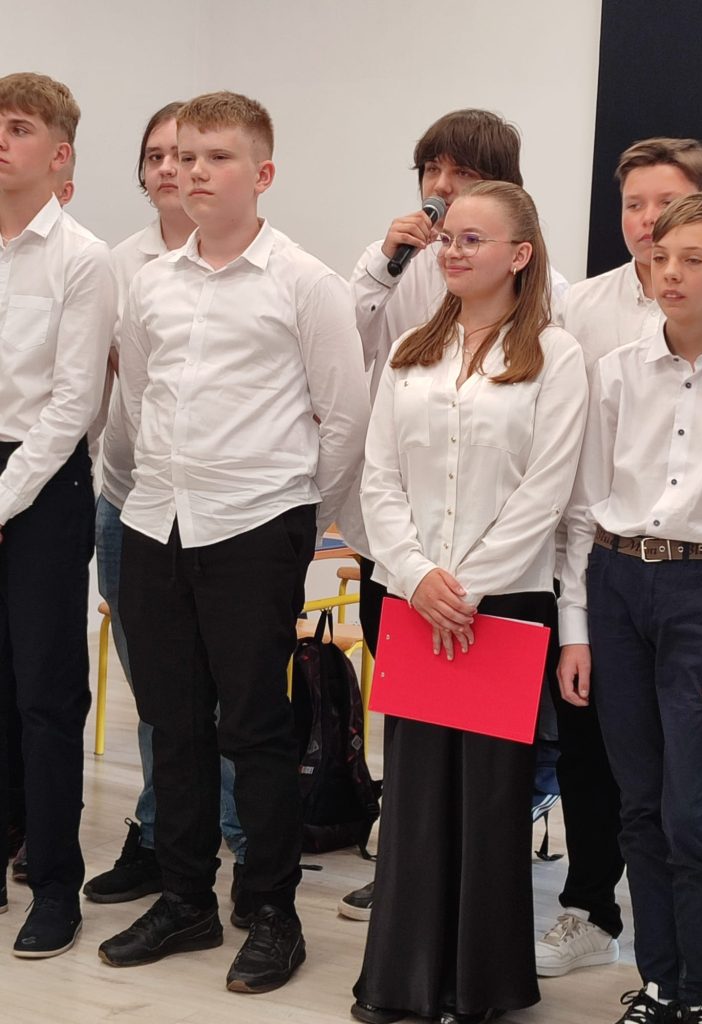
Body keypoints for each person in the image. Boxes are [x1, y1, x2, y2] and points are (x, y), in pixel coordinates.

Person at [97, 91, 369, 994]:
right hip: (156, 520)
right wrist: (129, 494)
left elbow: (346, 417)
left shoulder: (304, 282)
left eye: (217, 157)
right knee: (171, 725)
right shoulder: (151, 282)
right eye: (183, 156)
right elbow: (136, 403)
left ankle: (273, 909)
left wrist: (299, 519)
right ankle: (185, 899)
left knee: (254, 729)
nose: (192, 171)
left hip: (256, 525)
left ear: (262, 174)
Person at [351, 180, 588, 1024]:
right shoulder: (410, 347)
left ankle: (481, 986)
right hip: (413, 602)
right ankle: (402, 983)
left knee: (491, 804)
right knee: (414, 800)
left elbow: (546, 492)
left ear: (520, 255)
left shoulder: (557, 355)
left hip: (505, 604)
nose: (452, 251)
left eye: (472, 240)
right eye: (448, 237)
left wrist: (469, 585)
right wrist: (417, 576)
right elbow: (378, 478)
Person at [535, 137, 702, 979]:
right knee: (626, 792)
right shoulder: (607, 353)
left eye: (690, 255)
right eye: (656, 248)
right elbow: (582, 497)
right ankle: (646, 968)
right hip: (614, 576)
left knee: (688, 811)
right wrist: (575, 624)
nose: (667, 265)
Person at [82, 101, 247, 908]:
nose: (172, 169)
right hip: (130, 499)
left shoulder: (258, 263)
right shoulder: (119, 264)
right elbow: (103, 386)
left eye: (187, 155)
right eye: (156, 156)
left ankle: (241, 841)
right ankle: (159, 836)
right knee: (158, 690)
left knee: (228, 692)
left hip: (226, 509)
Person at [0, 72, 115, 955]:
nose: (0, 140)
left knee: (44, 692)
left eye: (17, 127)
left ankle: (54, 882)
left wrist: (3, 498)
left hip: (42, 480)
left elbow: (74, 402)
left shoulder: (83, 258)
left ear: (60, 155)